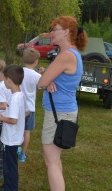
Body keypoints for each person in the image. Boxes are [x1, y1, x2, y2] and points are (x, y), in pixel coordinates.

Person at [38, 16, 88, 191]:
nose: (52, 32)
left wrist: (46, 79)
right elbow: (50, 78)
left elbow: (41, 83)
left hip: (58, 114)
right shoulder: (72, 54)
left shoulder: (66, 55)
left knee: (51, 161)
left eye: (55, 29)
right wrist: (48, 77)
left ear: (66, 32)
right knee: (54, 159)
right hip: (63, 112)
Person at [0, 64, 25, 191]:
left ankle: (10, 188)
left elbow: (13, 120)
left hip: (11, 139)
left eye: (4, 79)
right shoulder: (19, 95)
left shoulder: (14, 98)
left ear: (9, 80)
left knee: (9, 166)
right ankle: (7, 185)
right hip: (14, 136)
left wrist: (1, 118)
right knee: (9, 164)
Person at [19, 48, 42, 162]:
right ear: (36, 61)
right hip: (30, 107)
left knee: (17, 129)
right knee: (26, 132)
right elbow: (41, 86)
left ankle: (15, 148)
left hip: (18, 106)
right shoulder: (37, 76)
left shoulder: (18, 71)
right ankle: (23, 154)